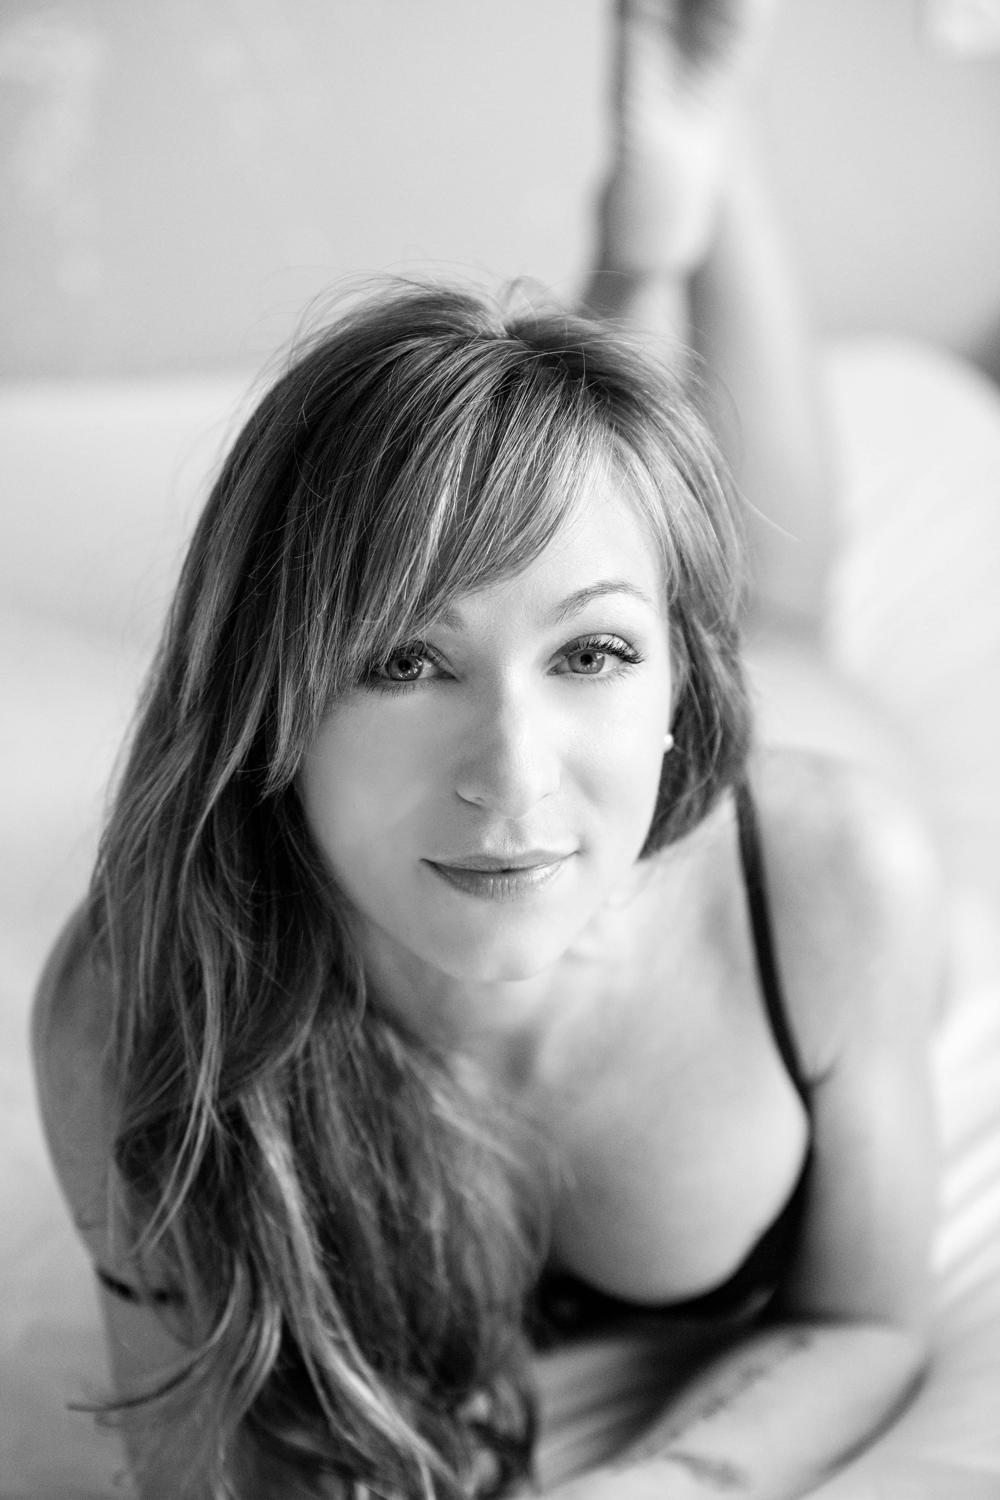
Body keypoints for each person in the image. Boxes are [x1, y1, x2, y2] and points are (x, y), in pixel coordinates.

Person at [31, 2, 944, 1497]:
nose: (513, 776)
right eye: (404, 663)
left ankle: (686, 196)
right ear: (272, 698)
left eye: (596, 660)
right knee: (567, 532)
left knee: (775, 599)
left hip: (786, 735)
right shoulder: (129, 1009)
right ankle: (644, 241)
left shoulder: (835, 877)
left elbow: (871, 1323)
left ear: (677, 679)